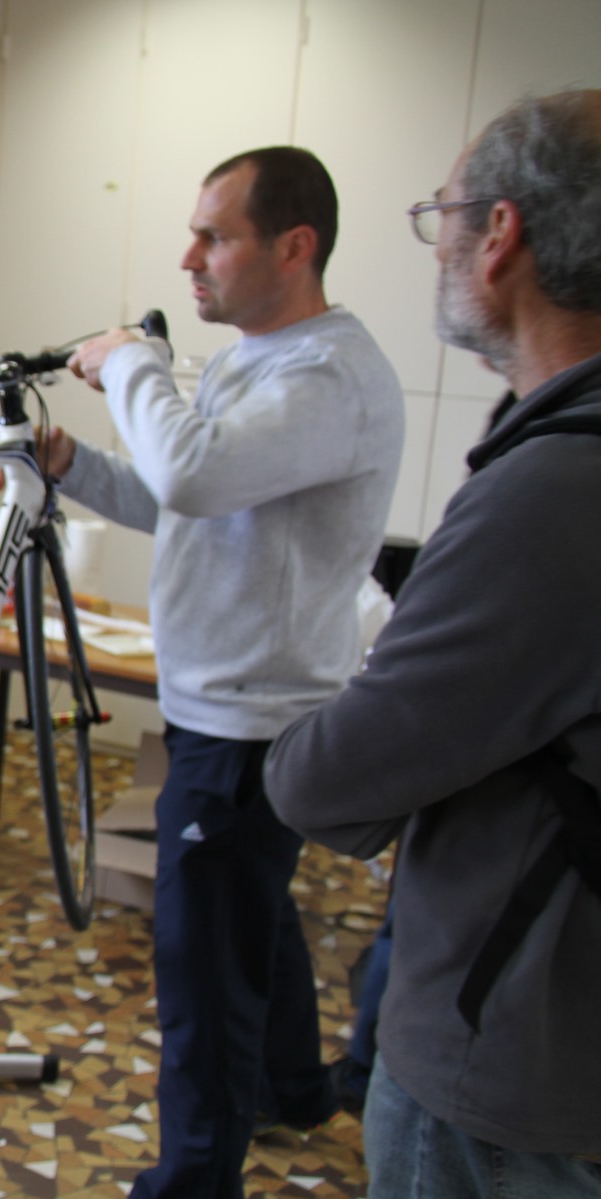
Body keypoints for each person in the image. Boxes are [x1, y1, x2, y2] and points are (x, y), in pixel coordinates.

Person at [21, 147, 405, 1197]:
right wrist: (74, 468)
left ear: (293, 245)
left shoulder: (327, 375)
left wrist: (133, 360)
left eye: (214, 236)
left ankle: (192, 1180)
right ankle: (291, 1085)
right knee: (249, 918)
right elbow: (183, 497)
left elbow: (193, 470)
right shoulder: (261, 359)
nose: (188, 258)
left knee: (201, 971)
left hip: (249, 720)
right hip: (226, 706)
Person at [266, 90, 601, 1197]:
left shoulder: (554, 488)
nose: (436, 242)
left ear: (499, 233)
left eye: (441, 215)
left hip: (502, 1063)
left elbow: (330, 780)